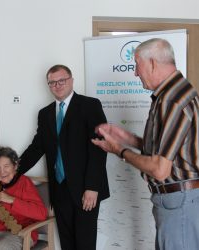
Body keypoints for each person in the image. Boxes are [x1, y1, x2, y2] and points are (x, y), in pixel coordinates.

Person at [92, 38, 199, 250]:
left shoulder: (172, 99)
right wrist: (126, 137)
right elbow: (168, 150)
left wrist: (119, 150)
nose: (135, 72)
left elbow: (160, 169)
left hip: (179, 204)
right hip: (179, 202)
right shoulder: (173, 93)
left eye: (137, 65)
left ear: (152, 63)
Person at [19, 64, 110, 250]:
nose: (57, 85)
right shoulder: (45, 114)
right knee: (67, 243)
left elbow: (99, 149)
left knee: (84, 243)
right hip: (59, 189)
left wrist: (92, 187)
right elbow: (37, 148)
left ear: (71, 80)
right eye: (52, 83)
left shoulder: (90, 105)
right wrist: (12, 171)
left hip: (85, 188)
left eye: (62, 80)